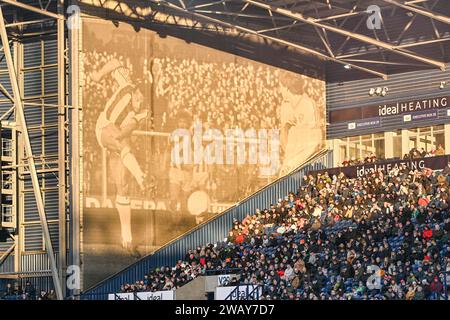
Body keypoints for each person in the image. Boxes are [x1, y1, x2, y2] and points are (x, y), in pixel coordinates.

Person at [92, 59, 149, 254]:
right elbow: (115, 62)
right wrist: (98, 75)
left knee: (122, 186)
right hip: (103, 128)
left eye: (143, 101)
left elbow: (128, 129)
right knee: (119, 139)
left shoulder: (143, 112)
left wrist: (122, 138)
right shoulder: (127, 85)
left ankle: (127, 239)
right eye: (139, 97)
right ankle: (142, 178)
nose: (140, 102)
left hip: (119, 142)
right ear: (135, 91)